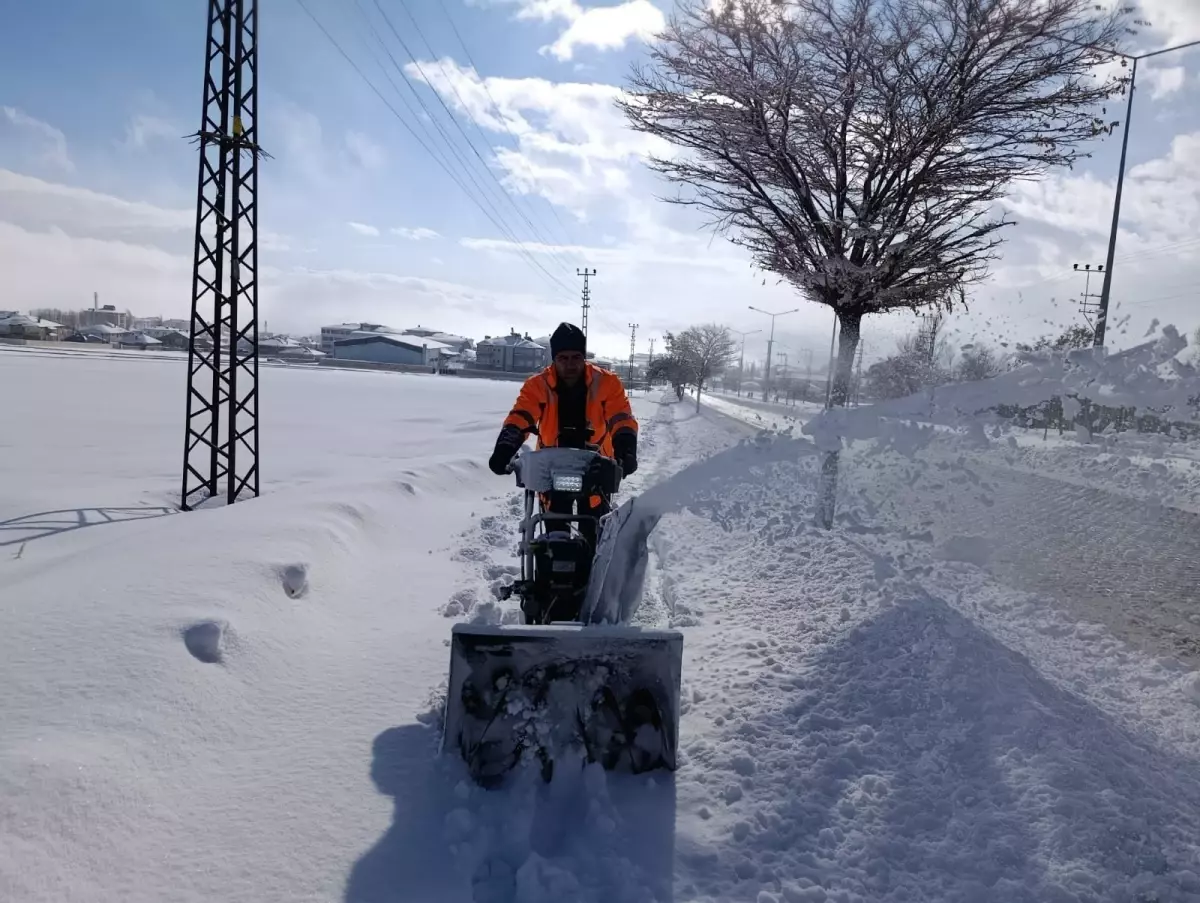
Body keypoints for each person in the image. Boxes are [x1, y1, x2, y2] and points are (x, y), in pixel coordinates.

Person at [488, 322, 638, 530]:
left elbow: (621, 417)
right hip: (552, 466)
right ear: (554, 359)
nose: (570, 365)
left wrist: (626, 449)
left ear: (583, 358)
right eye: (563, 358)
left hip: (595, 466)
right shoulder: (537, 385)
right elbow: (521, 417)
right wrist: (505, 448)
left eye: (576, 357)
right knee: (553, 529)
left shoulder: (606, 383)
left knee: (594, 529)